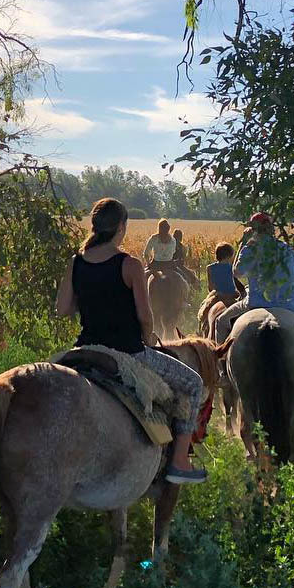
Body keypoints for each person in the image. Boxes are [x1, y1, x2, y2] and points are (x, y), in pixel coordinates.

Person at [56, 198, 207, 483]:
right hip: (127, 352)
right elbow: (146, 316)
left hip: (85, 347)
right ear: (121, 227)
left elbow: (62, 309)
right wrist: (148, 337)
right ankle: (179, 462)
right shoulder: (130, 265)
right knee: (193, 383)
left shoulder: (76, 262)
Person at [214, 212, 294, 394]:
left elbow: (237, 272)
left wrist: (243, 243)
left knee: (220, 322)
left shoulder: (251, 249)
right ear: (272, 230)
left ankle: (222, 373)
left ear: (253, 230)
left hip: (256, 303)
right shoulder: (288, 250)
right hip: (289, 306)